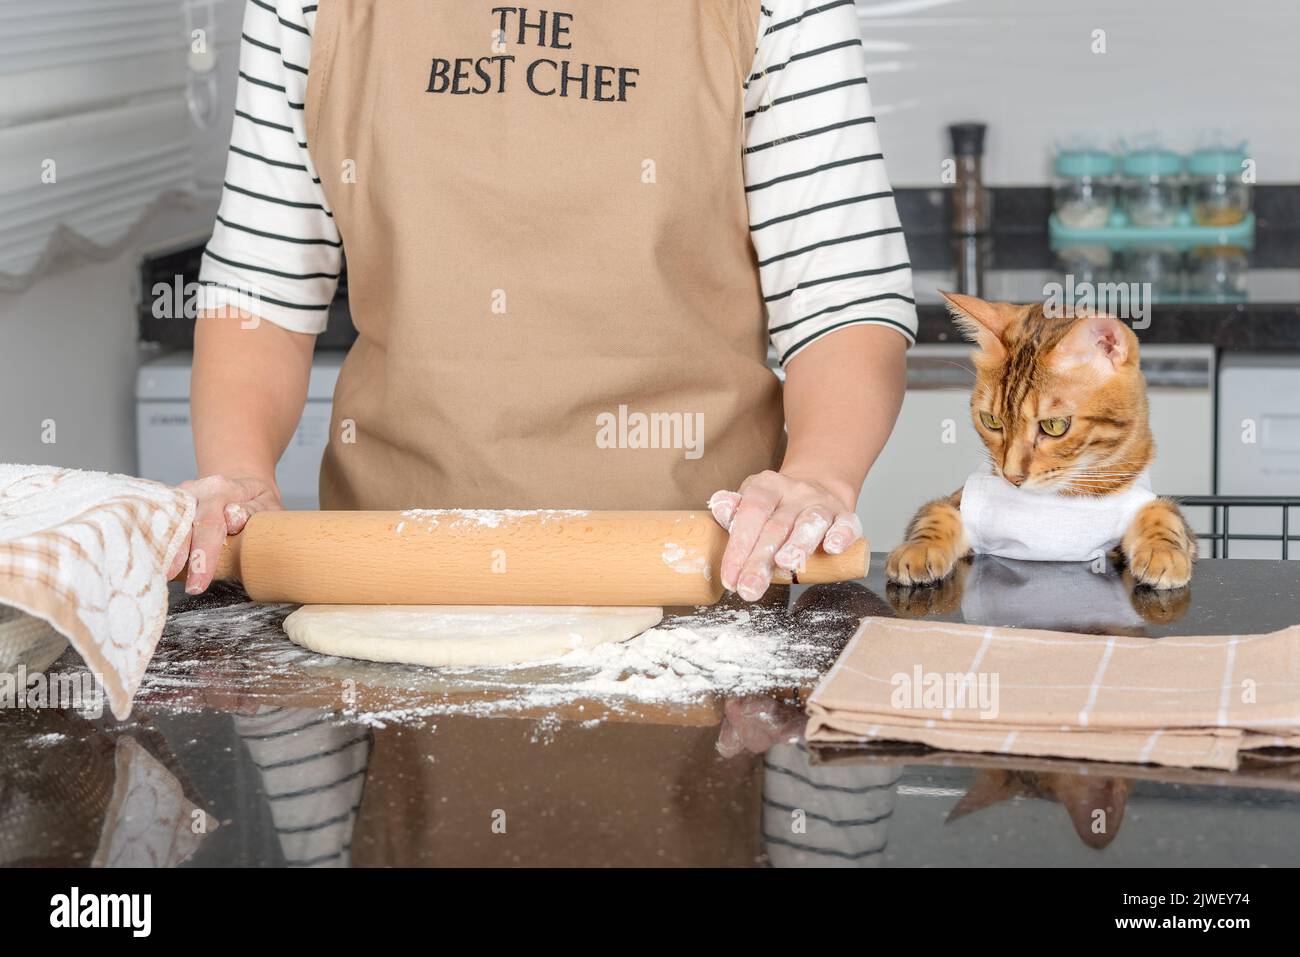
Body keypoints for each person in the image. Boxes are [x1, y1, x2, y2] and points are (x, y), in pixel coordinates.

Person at [176, 0, 916, 603]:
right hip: (387, 580)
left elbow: (841, 294)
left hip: (702, 579)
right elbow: (262, 289)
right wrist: (240, 477)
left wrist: (817, 476)